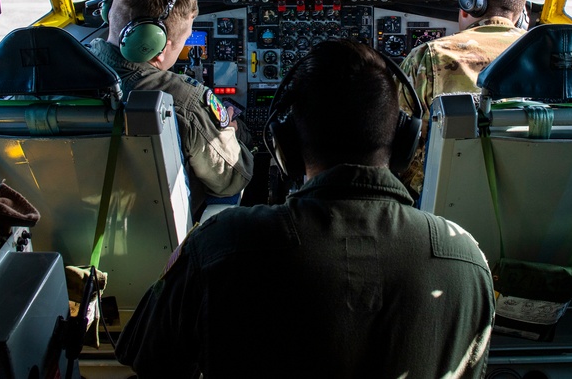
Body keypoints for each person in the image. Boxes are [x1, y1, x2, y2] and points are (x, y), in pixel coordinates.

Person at [115, 40, 494, 379]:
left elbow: (147, 358)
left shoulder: (219, 246)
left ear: (285, 148)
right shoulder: (466, 262)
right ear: (402, 144)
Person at [89, 0, 253, 214]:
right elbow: (232, 179)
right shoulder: (183, 100)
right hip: (163, 239)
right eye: (185, 40)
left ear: (109, 11)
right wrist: (230, 130)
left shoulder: (51, 77)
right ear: (155, 47)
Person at [399, 0, 529, 194]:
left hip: (439, 198)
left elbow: (397, 141)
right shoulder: (550, 58)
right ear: (521, 14)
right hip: (528, 193)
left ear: (467, 2)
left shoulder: (429, 57)